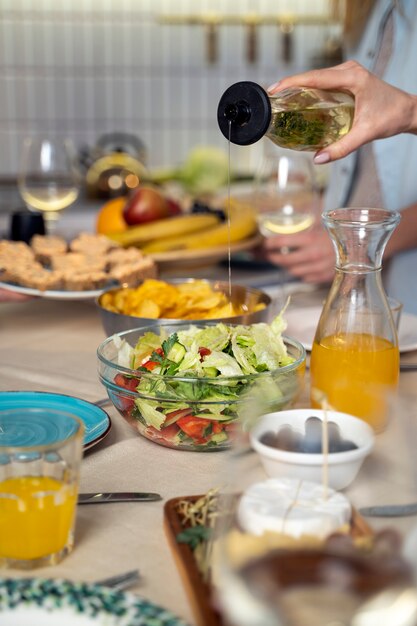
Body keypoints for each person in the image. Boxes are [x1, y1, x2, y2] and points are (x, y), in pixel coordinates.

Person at [261, 0, 417, 314]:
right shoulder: (369, 10)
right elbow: (368, 160)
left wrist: (359, 242)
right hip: (353, 290)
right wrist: (323, 209)